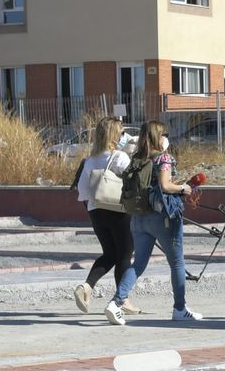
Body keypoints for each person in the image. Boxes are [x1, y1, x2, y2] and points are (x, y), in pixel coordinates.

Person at [112, 121, 203, 324]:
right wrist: (183, 189)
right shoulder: (164, 158)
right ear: (157, 136)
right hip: (162, 219)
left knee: (139, 264)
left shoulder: (136, 159)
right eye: (164, 134)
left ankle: (116, 303)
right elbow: (165, 185)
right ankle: (180, 309)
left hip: (138, 217)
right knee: (177, 262)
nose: (166, 137)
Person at [72, 116, 133, 318]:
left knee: (110, 253)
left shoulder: (90, 160)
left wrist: (94, 205)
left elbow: (82, 190)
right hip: (118, 211)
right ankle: (121, 300)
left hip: (96, 211)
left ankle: (87, 287)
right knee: (124, 255)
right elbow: (132, 184)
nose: (124, 136)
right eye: (122, 132)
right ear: (115, 135)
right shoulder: (120, 158)